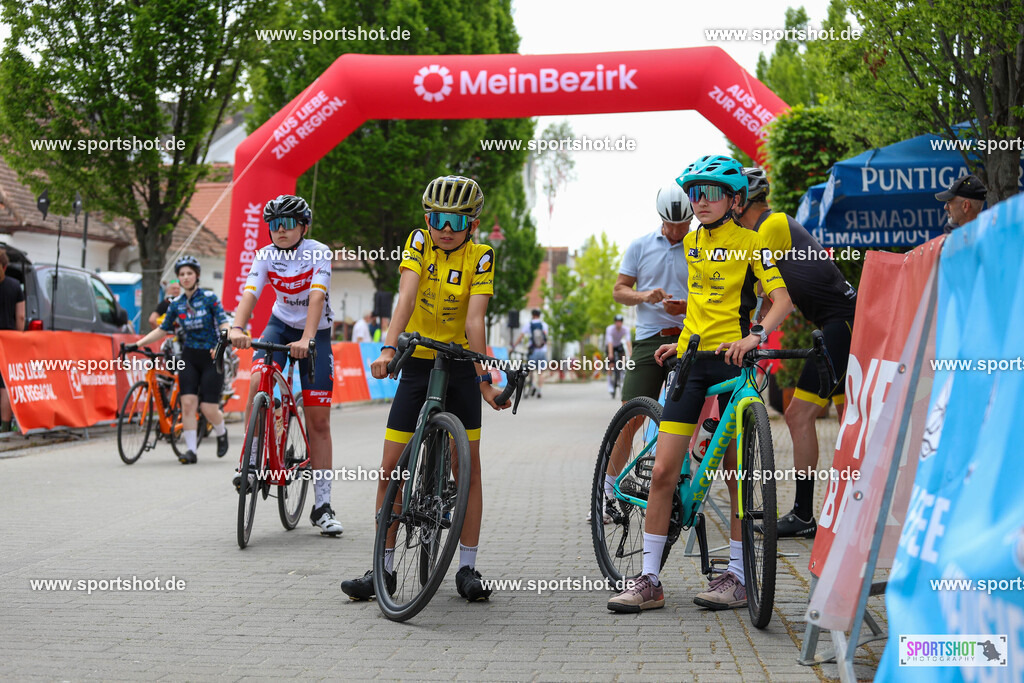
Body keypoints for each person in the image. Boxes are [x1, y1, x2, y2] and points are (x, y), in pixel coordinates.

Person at [607, 154, 793, 613]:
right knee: (665, 471)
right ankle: (649, 580)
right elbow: (698, 309)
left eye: (710, 193)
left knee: (735, 477)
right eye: (695, 193)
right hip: (693, 363)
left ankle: (737, 576)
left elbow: (781, 300)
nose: (700, 201)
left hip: (732, 366)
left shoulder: (752, 243)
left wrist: (755, 336)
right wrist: (684, 341)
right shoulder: (692, 243)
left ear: (733, 200)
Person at [341, 175, 509, 602]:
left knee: (467, 467)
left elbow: (475, 322)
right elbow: (406, 299)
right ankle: (384, 566)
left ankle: (467, 568)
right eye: (437, 218)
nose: (445, 227)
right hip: (417, 358)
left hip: (459, 363)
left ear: (471, 223)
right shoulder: (419, 242)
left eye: (455, 219)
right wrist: (386, 349)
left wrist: (485, 380)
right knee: (391, 467)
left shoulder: (482, 256)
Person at [734, 167, 857, 538]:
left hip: (842, 323)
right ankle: (837, 512)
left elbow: (760, 295)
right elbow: (764, 293)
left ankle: (812, 514)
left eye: (732, 199)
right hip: (836, 324)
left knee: (801, 414)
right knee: (842, 416)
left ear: (741, 201)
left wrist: (751, 336)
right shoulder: (771, 227)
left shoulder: (770, 225)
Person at [228, 194, 342, 535]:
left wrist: (307, 339)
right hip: (278, 325)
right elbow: (250, 293)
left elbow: (317, 296)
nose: (279, 231)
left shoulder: (319, 252)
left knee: (318, 422)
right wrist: (236, 327)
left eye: (287, 224)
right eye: (273, 225)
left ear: (303, 227)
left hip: (315, 331)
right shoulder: (265, 255)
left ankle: (322, 505)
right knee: (256, 382)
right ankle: (249, 464)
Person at [592, 183, 691, 523]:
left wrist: (686, 306)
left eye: (684, 225)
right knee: (629, 417)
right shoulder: (640, 246)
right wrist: (645, 296)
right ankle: (604, 494)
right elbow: (620, 291)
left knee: (690, 420)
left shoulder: (700, 248)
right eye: (670, 225)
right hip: (649, 339)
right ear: (660, 218)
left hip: (690, 338)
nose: (677, 232)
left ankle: (679, 491)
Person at [129, 256, 231, 464]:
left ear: (197, 276)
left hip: (212, 356)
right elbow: (162, 330)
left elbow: (223, 323)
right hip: (189, 357)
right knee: (187, 403)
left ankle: (221, 431)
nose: (185, 277)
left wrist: (222, 343)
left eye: (189, 273)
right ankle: (191, 451)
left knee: (208, 408)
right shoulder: (177, 304)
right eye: (182, 274)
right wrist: (137, 345)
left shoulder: (210, 298)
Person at [0, 248, 25, 433]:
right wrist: (18, 337)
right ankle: (5, 426)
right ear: (6, 266)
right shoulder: (15, 286)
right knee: (4, 384)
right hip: (7, 340)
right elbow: (21, 318)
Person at [515, 309, 549, 398]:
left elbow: (521, 336)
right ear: (539, 315)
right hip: (542, 350)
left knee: (531, 371)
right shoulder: (544, 325)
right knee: (541, 372)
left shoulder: (529, 325)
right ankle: (539, 390)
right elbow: (546, 338)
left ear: (532, 315)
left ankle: (532, 385)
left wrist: (514, 346)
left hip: (533, 351)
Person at [604, 314, 632, 397]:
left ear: (622, 323)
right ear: (615, 322)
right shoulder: (610, 329)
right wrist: (610, 354)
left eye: (620, 322)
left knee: (622, 362)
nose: (618, 324)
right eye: (617, 322)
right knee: (611, 364)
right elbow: (609, 342)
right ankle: (610, 385)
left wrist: (630, 353)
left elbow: (628, 342)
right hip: (610, 346)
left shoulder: (626, 329)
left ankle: (621, 377)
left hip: (619, 345)